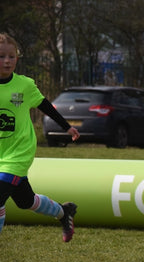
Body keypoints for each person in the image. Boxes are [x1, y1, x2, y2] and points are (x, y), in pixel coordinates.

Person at [0, 33, 80, 242]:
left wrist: (67, 127)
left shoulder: (24, 85)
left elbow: (45, 105)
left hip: (18, 152)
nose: (7, 61)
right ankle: (64, 212)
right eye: (1, 56)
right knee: (26, 201)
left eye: (11, 56)